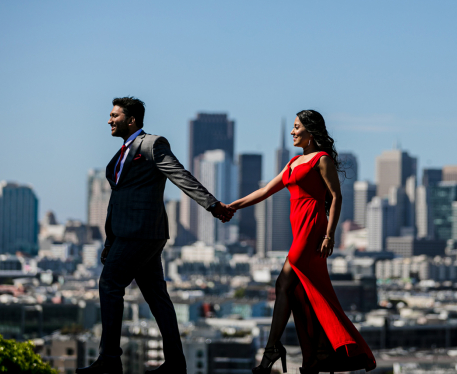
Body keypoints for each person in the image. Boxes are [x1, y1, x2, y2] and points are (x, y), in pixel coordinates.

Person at [76, 97, 235, 374]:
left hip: (141, 233)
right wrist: (109, 241)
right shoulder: (123, 153)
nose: (110, 120)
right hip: (128, 234)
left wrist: (212, 204)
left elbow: (180, 175)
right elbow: (117, 201)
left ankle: (110, 360)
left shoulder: (151, 144)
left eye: (115, 115)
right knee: (157, 296)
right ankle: (175, 363)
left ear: (132, 120)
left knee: (110, 285)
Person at [229, 110, 376, 374]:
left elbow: (336, 197)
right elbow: (265, 191)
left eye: (297, 127)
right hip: (299, 232)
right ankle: (314, 355)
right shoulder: (293, 162)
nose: (292, 132)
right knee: (298, 293)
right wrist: (232, 206)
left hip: (313, 231)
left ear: (310, 131)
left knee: (283, 283)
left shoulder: (321, 160)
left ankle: (273, 350)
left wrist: (330, 235)